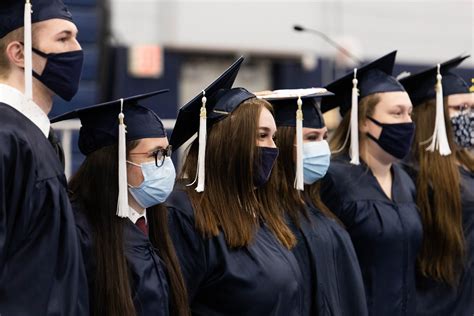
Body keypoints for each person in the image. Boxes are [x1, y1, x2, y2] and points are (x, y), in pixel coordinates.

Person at [166, 57, 304, 315]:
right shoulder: (185, 213)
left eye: (273, 137)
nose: (274, 148)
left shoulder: (260, 211)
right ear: (230, 142)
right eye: (262, 135)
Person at [50, 90, 190, 316]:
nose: (165, 165)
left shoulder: (159, 222)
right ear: (114, 163)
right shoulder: (78, 232)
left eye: (166, 153)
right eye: (155, 154)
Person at [0, 0, 88, 314]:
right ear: (19, 53)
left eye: (77, 37)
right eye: (63, 39)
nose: (78, 50)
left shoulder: (35, 135)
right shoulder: (7, 137)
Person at [319, 51, 423, 316]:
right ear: (364, 121)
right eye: (397, 113)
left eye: (409, 114)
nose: (408, 123)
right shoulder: (334, 179)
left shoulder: (406, 180)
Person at [258, 88, 368, 316]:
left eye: (324, 137)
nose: (321, 147)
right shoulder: (267, 220)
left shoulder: (317, 206)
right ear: (284, 143)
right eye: (311, 138)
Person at [399, 55, 474, 315]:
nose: (468, 117)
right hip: (439, 303)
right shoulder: (414, 175)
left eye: (471, 109)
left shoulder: (467, 165)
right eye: (459, 109)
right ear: (433, 116)